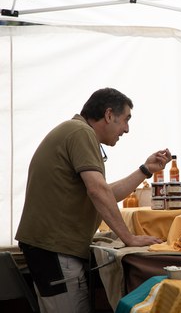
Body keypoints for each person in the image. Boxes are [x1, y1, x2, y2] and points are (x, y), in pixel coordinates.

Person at [15, 88, 166, 313]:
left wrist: (145, 170)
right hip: (54, 249)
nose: (126, 129)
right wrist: (129, 238)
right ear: (108, 115)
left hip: (50, 248)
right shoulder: (80, 133)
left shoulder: (74, 131)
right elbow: (98, 191)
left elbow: (104, 192)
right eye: (125, 120)